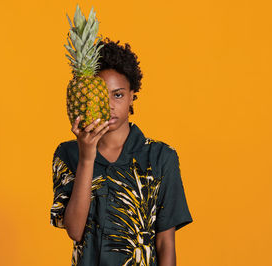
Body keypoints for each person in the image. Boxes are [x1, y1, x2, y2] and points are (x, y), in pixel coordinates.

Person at [50, 37, 193, 266]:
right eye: (101, 96)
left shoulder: (160, 157)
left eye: (118, 95)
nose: (110, 106)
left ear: (132, 95)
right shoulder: (68, 154)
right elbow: (75, 231)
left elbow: (166, 242)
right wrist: (87, 158)